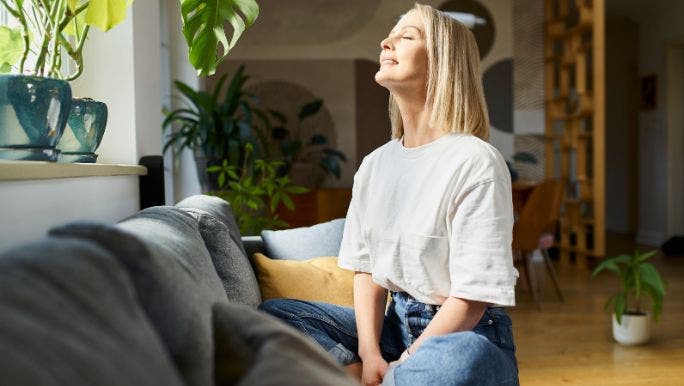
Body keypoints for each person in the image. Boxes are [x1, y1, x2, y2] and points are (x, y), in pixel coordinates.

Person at [258, 3, 520, 385]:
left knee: (465, 357)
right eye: (390, 34)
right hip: (394, 327)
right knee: (275, 314)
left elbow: (470, 301)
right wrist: (369, 355)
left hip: (464, 332)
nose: (385, 42)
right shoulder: (376, 164)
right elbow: (367, 271)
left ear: (441, 63)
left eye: (406, 36)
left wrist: (405, 363)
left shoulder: (475, 161)